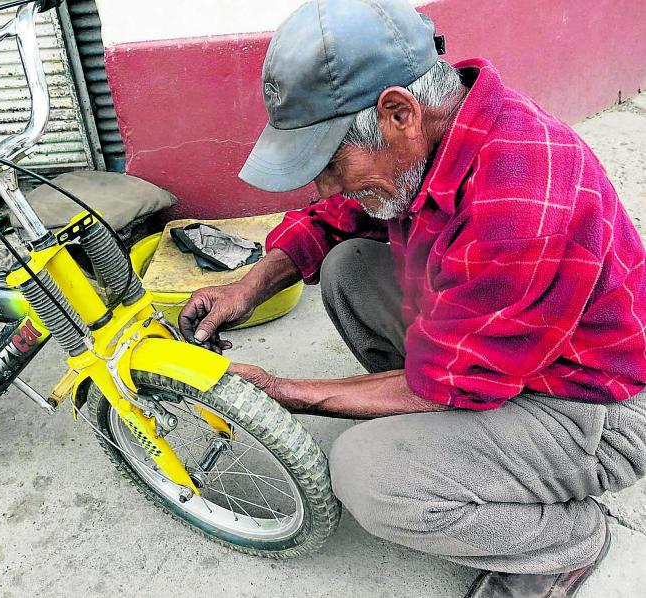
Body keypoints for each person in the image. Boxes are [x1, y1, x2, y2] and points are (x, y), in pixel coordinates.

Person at [177, 1, 646, 596]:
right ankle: (448, 439)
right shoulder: (432, 136)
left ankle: (562, 545)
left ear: (398, 112)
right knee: (348, 267)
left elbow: (450, 381)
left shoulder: (517, 203)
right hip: (503, 351)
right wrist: (246, 288)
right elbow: (333, 215)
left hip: (590, 408)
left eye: (329, 162)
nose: (321, 185)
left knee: (368, 476)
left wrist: (283, 391)